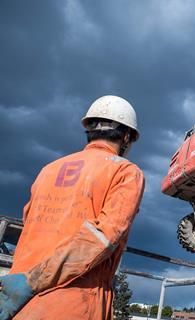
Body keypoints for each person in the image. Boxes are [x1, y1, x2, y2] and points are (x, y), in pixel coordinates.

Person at [0, 95, 145, 319]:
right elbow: (102, 238)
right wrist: (34, 281)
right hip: (71, 302)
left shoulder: (48, 169)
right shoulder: (126, 172)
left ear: (89, 130)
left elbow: (30, 227)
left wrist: (25, 283)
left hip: (17, 300)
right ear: (126, 136)